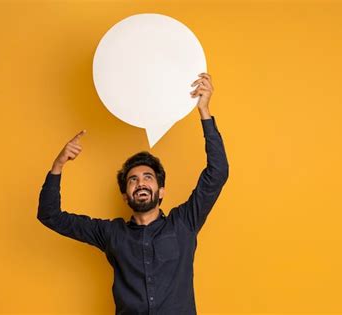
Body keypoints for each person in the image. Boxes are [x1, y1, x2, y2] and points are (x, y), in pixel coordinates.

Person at [37, 73, 229, 314]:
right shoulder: (110, 234)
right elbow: (49, 216)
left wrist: (204, 111)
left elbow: (218, 172)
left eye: (148, 178)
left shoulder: (184, 223)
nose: (140, 183)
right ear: (125, 196)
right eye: (133, 180)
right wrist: (58, 165)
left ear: (161, 192)